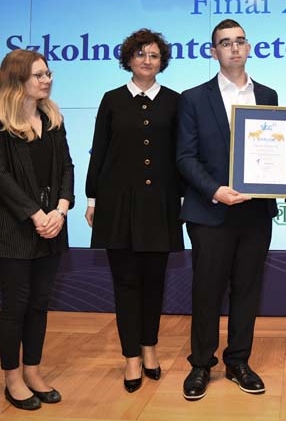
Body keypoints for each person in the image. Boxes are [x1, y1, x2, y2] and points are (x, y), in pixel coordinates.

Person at [176, 19, 278, 401]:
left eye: (239, 41)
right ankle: (202, 364)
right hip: (210, 210)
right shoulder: (193, 98)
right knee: (207, 290)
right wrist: (215, 190)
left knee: (248, 290)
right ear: (213, 51)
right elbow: (185, 158)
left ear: (248, 47)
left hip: (255, 213)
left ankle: (238, 362)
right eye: (225, 43)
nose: (234, 48)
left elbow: (277, 150)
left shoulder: (268, 96)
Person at [85, 28, 184, 393]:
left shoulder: (175, 102)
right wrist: (92, 199)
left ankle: (149, 349)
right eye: (140, 54)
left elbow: (182, 155)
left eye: (154, 55)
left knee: (154, 282)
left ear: (162, 62)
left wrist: (183, 197)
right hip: (117, 205)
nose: (147, 60)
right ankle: (130, 356)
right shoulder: (111, 99)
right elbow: (99, 150)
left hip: (160, 205)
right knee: (125, 283)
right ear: (128, 59)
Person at [0, 49, 74, 410]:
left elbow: (66, 167)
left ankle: (33, 372)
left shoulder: (52, 119)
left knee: (39, 304)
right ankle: (12, 378)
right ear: (17, 79)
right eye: (39, 75)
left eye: (48, 73)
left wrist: (61, 210)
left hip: (53, 224)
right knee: (15, 306)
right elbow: (0, 176)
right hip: (15, 229)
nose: (47, 80)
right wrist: (36, 214)